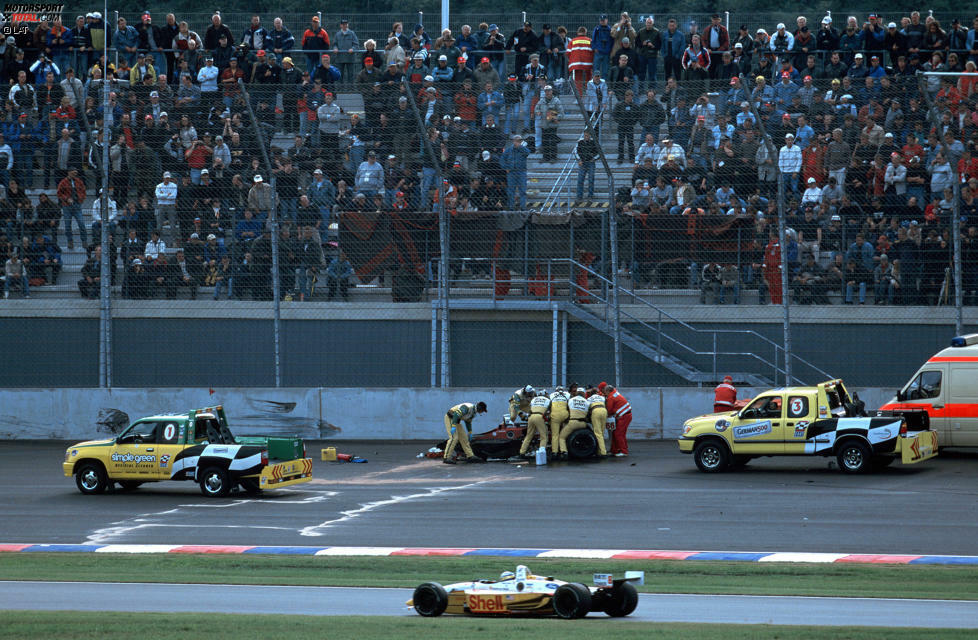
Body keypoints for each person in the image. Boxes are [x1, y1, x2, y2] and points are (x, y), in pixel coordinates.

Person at [512, 389, 550, 461]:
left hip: (531, 417)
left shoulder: (534, 399)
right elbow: (548, 411)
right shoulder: (547, 400)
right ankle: (542, 453)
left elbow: (530, 409)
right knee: (544, 436)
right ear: (545, 394)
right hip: (539, 416)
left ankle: (522, 453)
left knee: (529, 435)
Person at [557, 389, 590, 460]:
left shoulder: (571, 400)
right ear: (584, 394)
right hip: (583, 424)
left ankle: (564, 452)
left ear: (576, 393)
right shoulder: (587, 402)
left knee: (561, 437)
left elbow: (567, 410)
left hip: (573, 423)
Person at [601, 382, 631, 457]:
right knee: (619, 434)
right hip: (625, 415)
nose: (605, 394)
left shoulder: (611, 397)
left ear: (608, 391)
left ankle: (624, 451)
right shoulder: (615, 393)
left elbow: (609, 410)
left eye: (605, 392)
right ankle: (615, 450)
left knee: (618, 434)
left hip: (624, 416)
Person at [586, 387, 610, 458]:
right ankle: (599, 451)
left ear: (591, 394)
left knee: (597, 433)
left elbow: (587, 409)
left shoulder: (589, 399)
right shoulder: (602, 397)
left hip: (595, 411)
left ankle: (603, 452)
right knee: (601, 432)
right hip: (604, 411)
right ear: (596, 393)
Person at [547, 386, 570, 454]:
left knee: (555, 435)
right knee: (564, 435)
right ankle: (564, 451)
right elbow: (569, 406)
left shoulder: (551, 395)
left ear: (556, 391)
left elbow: (549, 407)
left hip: (555, 415)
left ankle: (555, 452)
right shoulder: (567, 394)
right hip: (565, 415)